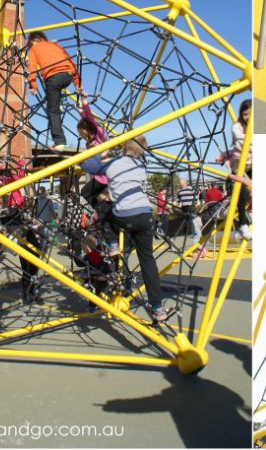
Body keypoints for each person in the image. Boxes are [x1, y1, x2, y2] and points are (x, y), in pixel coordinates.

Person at [80, 135, 169, 322]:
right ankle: (157, 307)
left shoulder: (114, 163)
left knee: (103, 208)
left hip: (124, 215)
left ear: (123, 147)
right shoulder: (140, 166)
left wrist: (103, 153)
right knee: (147, 261)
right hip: (145, 214)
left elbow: (86, 165)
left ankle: (112, 242)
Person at [26, 31, 83, 151]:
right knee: (53, 95)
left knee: (52, 110)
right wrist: (77, 83)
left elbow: (31, 67)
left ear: (32, 41)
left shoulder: (34, 49)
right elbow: (71, 62)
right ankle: (59, 103)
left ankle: (59, 142)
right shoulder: (56, 46)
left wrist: (33, 85)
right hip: (68, 76)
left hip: (53, 78)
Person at [76, 95, 109, 209]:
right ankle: (104, 212)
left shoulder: (98, 135)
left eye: (82, 131)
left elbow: (89, 117)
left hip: (105, 175)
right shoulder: (92, 140)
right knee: (91, 194)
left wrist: (84, 101)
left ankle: (103, 212)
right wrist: (79, 110)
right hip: (100, 175)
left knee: (86, 192)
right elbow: (86, 117)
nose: (82, 134)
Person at [231, 99, 252, 241]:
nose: (248, 117)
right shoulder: (237, 126)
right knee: (242, 195)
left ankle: (250, 213)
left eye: (251, 114)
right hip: (239, 166)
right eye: (245, 115)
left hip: (252, 164)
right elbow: (242, 140)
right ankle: (243, 225)